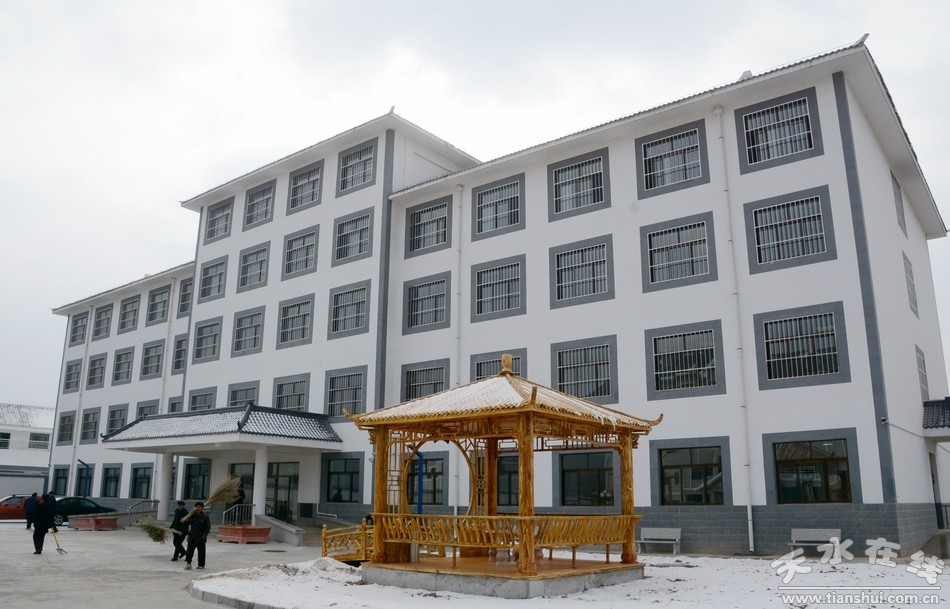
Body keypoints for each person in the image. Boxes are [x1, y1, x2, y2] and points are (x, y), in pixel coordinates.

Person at [184, 501, 211, 570]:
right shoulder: (191, 515)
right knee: (189, 551)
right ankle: (188, 563)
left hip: (201, 537)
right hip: (192, 536)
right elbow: (187, 524)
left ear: (202, 508)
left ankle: (201, 565)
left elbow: (208, 527)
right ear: (195, 507)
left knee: (201, 552)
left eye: (200, 507)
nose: (198, 508)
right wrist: (184, 520)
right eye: (197, 507)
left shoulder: (205, 516)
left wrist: (204, 535)